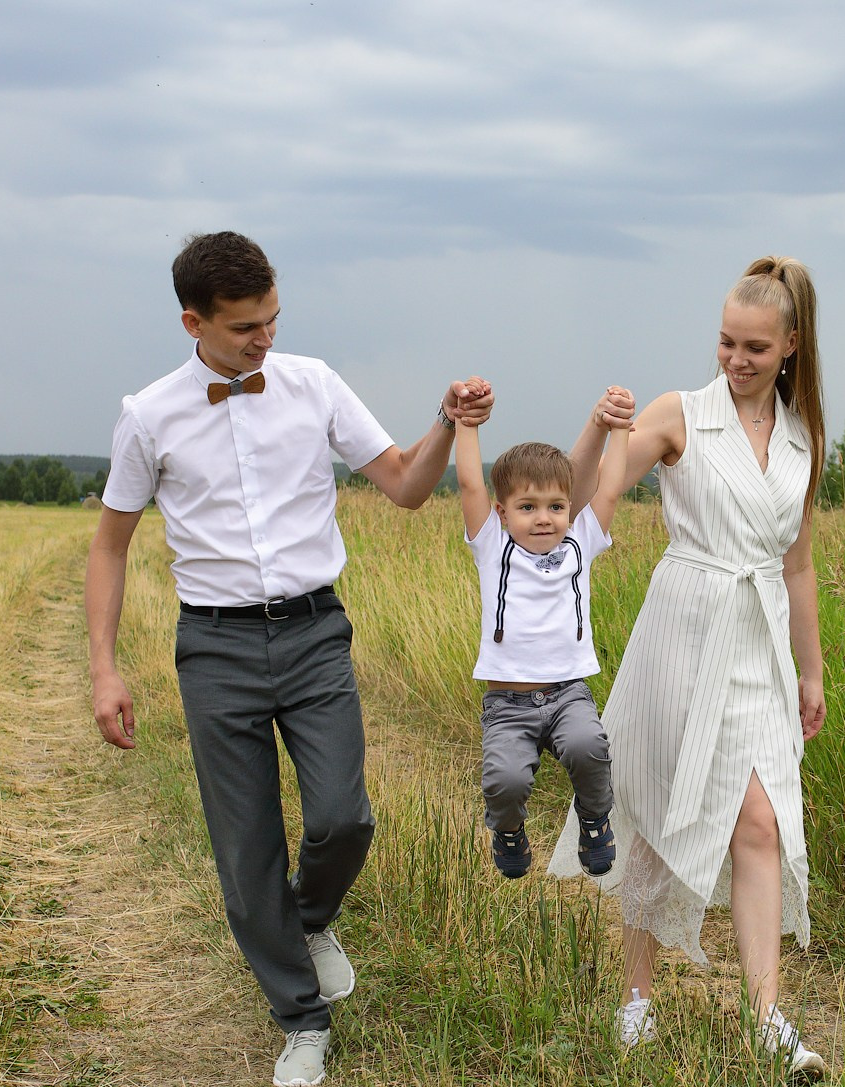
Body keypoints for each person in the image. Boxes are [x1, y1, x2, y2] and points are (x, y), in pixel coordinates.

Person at [85, 231, 493, 1087]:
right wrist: (104, 667)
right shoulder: (148, 415)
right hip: (215, 647)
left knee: (345, 817)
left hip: (313, 633)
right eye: (244, 330)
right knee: (245, 850)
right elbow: (110, 546)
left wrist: (445, 422)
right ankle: (302, 1019)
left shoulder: (315, 384)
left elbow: (407, 488)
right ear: (193, 321)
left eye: (272, 319)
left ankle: (307, 917)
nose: (264, 338)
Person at [549, 257, 830, 1076]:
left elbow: (800, 563)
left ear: (789, 346)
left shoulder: (804, 437)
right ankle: (635, 997)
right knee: (660, 810)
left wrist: (811, 670)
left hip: (760, 643)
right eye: (725, 342)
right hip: (684, 627)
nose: (736, 360)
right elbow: (578, 498)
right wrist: (599, 427)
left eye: (753, 347)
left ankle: (766, 1018)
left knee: (762, 821)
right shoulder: (682, 413)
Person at [451, 387, 636, 879]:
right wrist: (466, 424)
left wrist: (619, 429)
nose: (544, 518)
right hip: (508, 703)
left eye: (556, 506)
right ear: (502, 512)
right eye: (528, 507)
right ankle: (509, 831)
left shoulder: (582, 539)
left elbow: (611, 487)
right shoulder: (493, 547)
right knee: (505, 781)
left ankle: (595, 822)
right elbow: (470, 484)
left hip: (567, 694)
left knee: (589, 748)